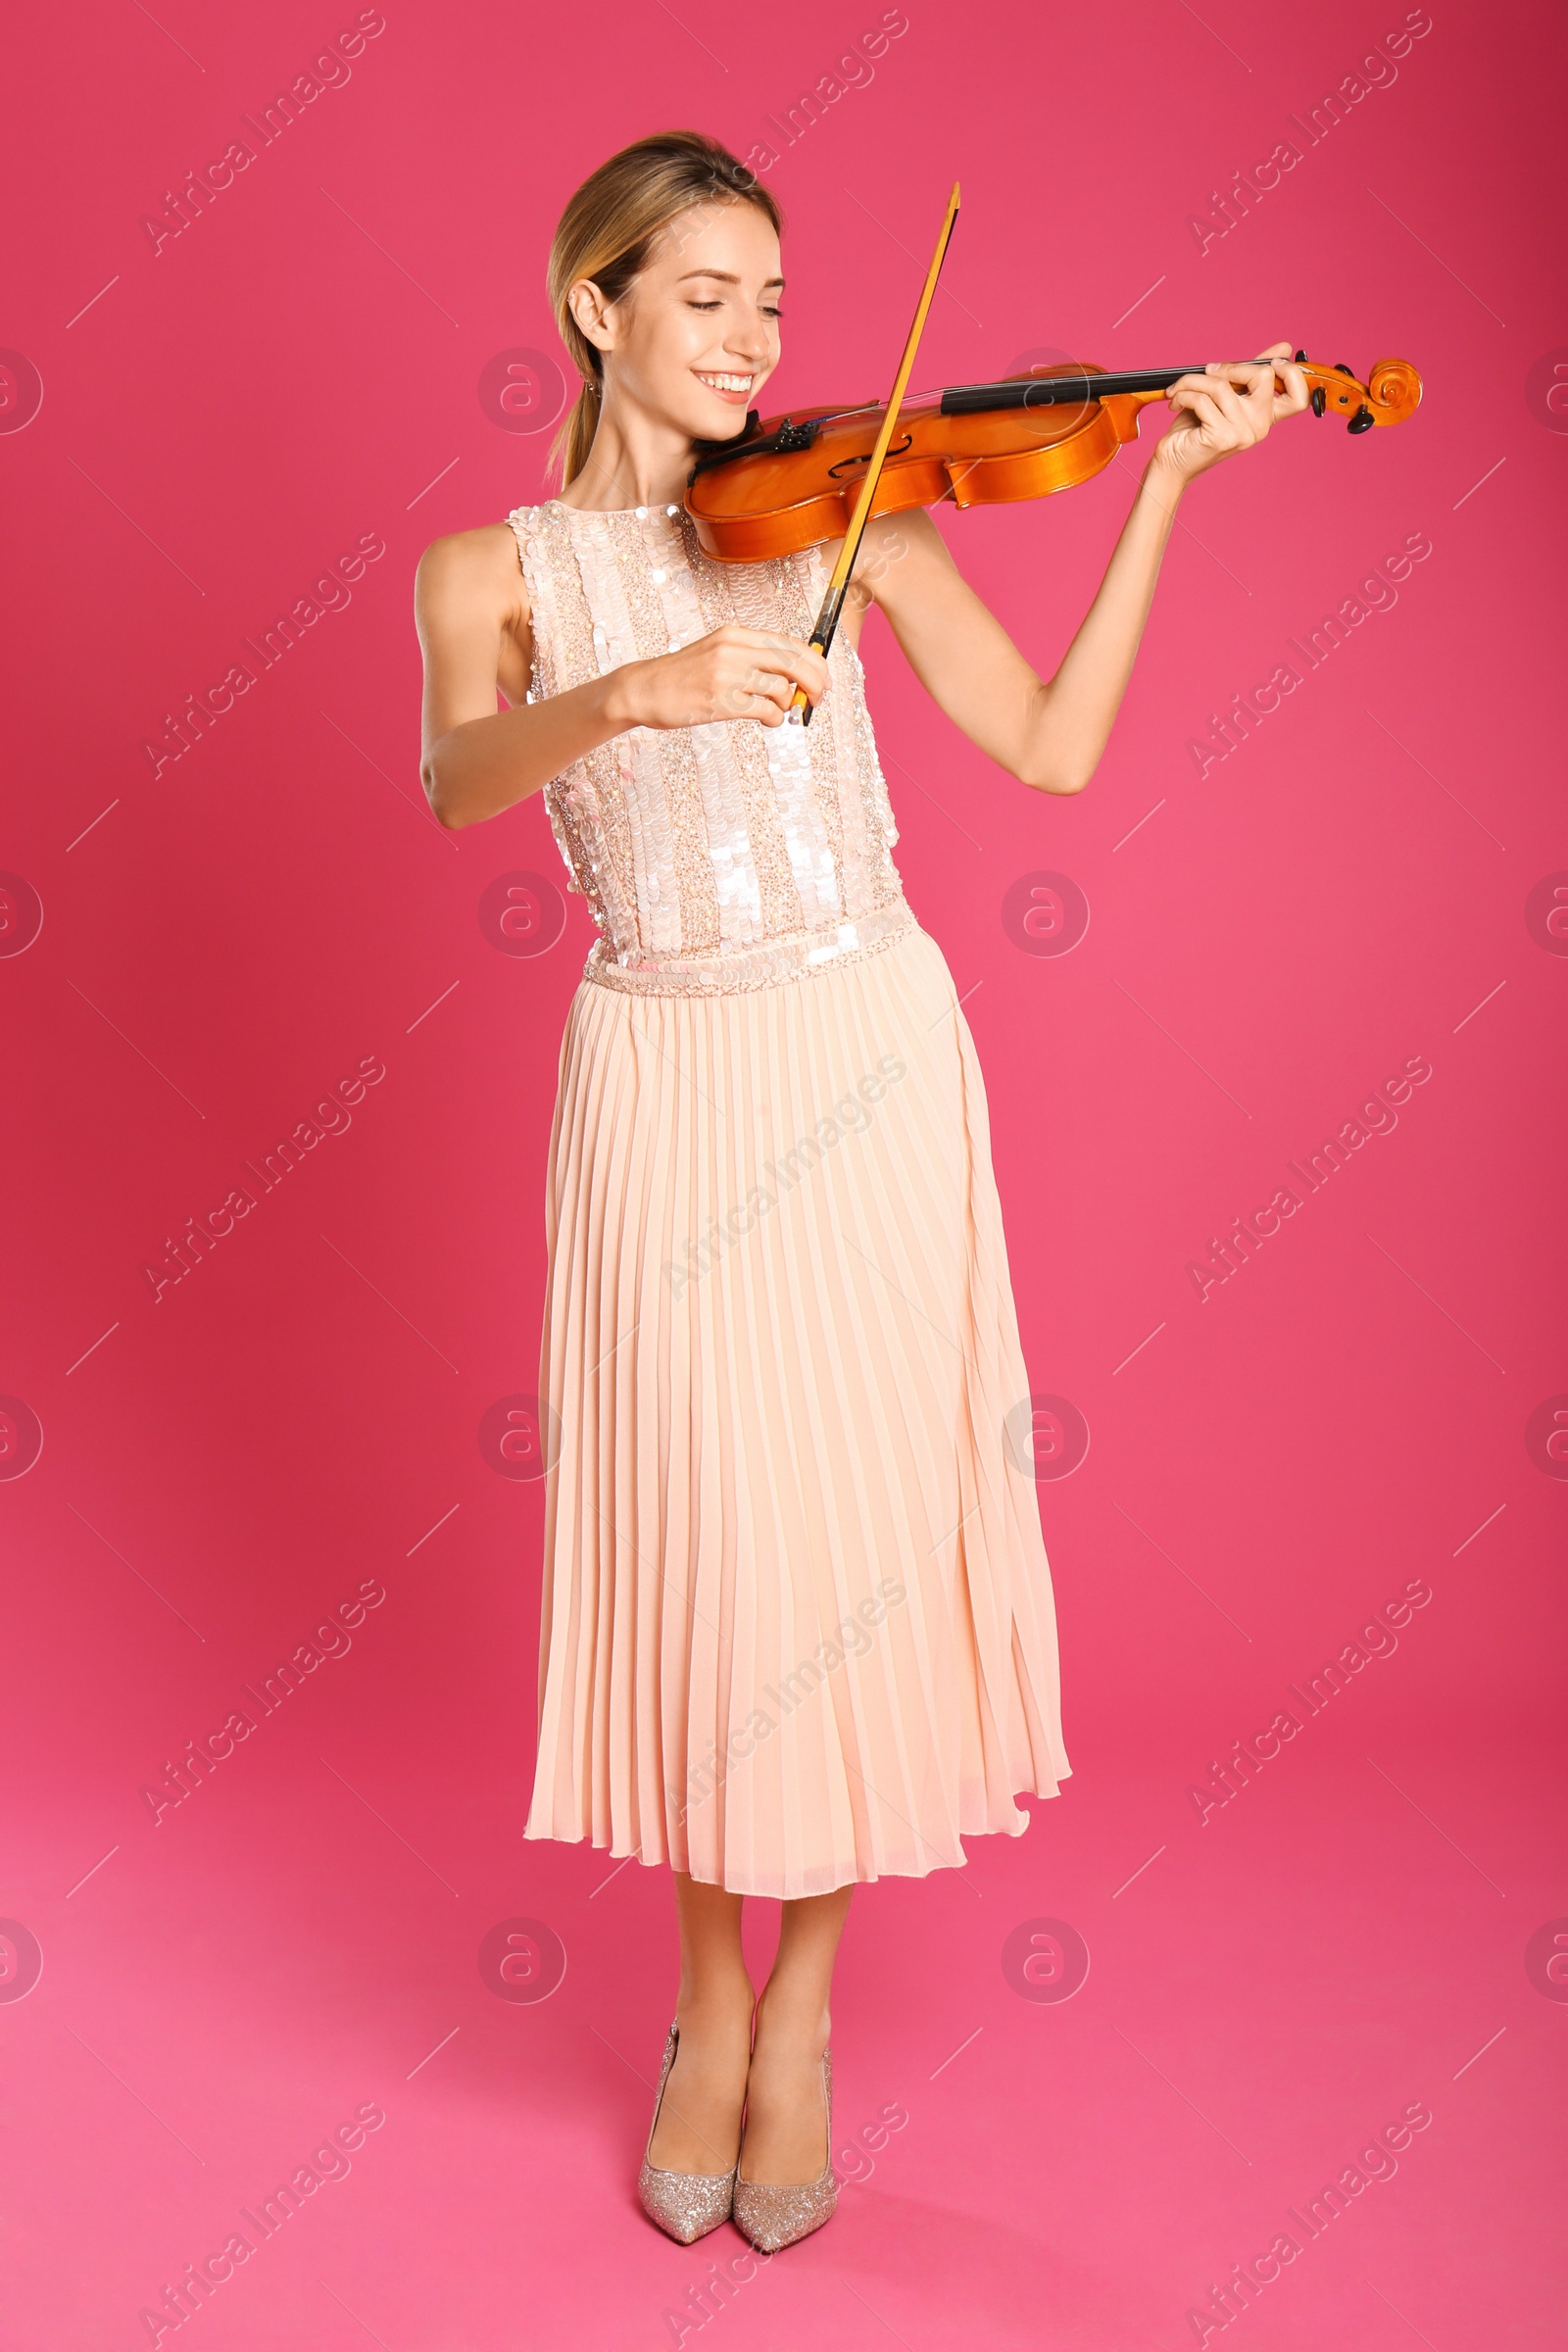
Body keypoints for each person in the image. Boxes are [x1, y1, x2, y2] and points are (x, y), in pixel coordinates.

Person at [415, 128, 1309, 2251]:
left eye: (773, 301)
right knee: (719, 1554)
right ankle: (699, 2010)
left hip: (863, 1061)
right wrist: (625, 690)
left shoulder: (856, 515)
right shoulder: (498, 570)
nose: (748, 340)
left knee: (839, 1568)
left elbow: (1050, 750)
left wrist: (1161, 483)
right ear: (593, 305)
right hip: (656, 1071)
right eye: (701, 295)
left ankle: (799, 2019)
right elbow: (457, 776)